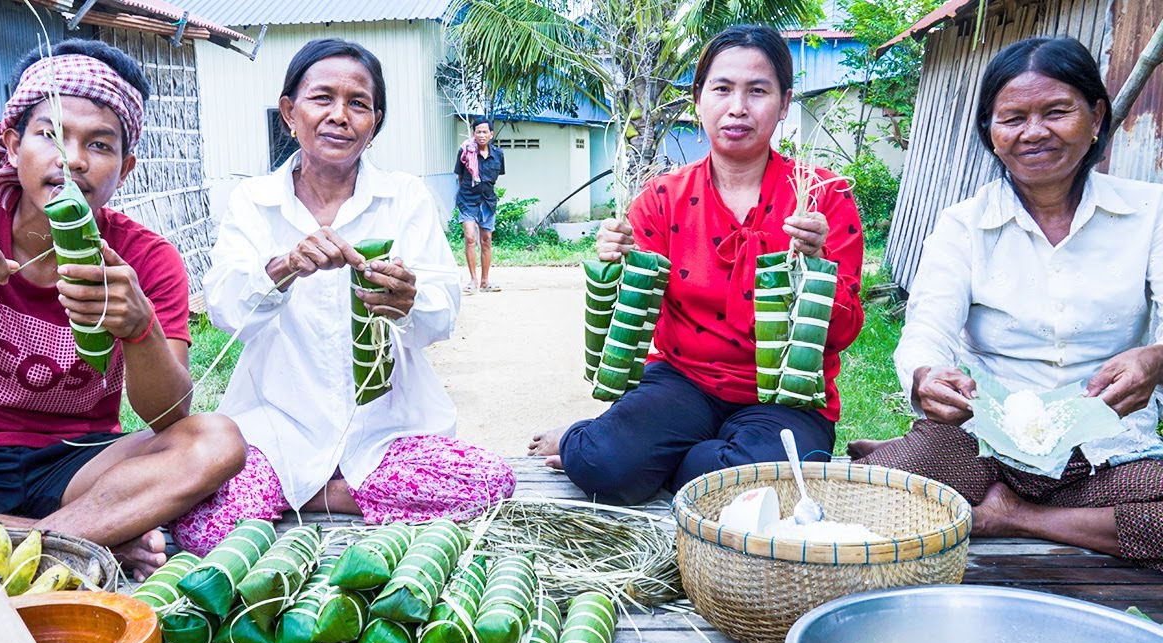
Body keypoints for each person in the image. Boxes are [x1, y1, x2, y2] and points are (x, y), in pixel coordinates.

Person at [0, 39, 247, 580]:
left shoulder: (145, 258)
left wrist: (139, 327)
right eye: (49, 135)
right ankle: (85, 541)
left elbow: (171, 417)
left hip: (79, 462)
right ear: (12, 146)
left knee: (216, 440)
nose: (73, 159)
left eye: (99, 145)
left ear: (124, 168)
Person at [851, 37, 1163, 571]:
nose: (1034, 132)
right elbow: (927, 330)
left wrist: (1156, 359)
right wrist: (925, 375)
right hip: (984, 442)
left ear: (1096, 118)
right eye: (1012, 117)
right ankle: (1012, 499)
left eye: (1057, 111)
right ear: (990, 135)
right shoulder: (962, 226)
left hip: (1106, 448)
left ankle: (1009, 515)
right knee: (872, 497)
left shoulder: (1150, 213)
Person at [194, 39, 514, 551]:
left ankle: (318, 496)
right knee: (202, 525)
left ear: (374, 123)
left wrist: (410, 300)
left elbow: (443, 313)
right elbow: (228, 312)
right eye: (322, 98)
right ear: (289, 113)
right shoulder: (254, 202)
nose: (339, 116)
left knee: (489, 483)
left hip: (388, 433)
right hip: (278, 427)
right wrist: (282, 268)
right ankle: (342, 495)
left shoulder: (405, 197)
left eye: (358, 103)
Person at [527, 25, 865, 505]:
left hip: (786, 396)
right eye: (722, 89)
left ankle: (685, 460)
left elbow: (845, 331)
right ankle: (604, 439)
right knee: (607, 464)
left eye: (758, 91)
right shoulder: (663, 198)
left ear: (785, 103)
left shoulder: (823, 196)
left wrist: (817, 268)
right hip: (684, 380)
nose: (738, 108)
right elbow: (626, 319)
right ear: (698, 98)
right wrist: (615, 261)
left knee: (768, 491)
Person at [455, 117, 506, 293]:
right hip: (468, 200)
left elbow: (495, 178)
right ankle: (472, 280)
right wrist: (466, 193)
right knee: (470, 238)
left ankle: (485, 282)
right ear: (474, 134)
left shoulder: (498, 155)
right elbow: (460, 178)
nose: (481, 135)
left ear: (491, 134)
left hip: (488, 201)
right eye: (478, 132)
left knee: (486, 240)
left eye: (485, 132)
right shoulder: (465, 152)